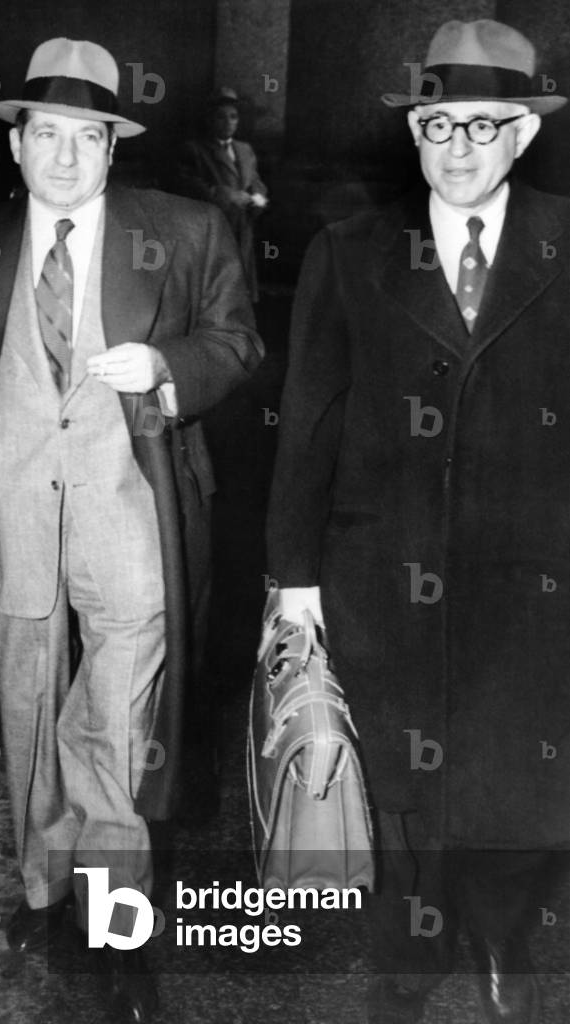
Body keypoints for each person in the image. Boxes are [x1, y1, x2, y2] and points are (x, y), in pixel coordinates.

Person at [0, 37, 262, 1023]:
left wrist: (167, 368)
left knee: (113, 727)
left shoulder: (185, 231)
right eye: (47, 133)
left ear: (114, 146)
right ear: (16, 140)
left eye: (88, 136)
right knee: (29, 710)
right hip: (8, 515)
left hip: (133, 518)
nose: (65, 156)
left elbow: (236, 342)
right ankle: (46, 890)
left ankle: (112, 919)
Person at [266, 20, 569, 1024]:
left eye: (484, 124)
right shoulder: (348, 251)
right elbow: (308, 421)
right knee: (399, 786)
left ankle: (502, 933)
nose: (459, 147)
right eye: (439, 124)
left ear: (524, 132)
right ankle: (407, 955)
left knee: (516, 783)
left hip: (531, 582)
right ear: (414, 132)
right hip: (381, 575)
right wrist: (293, 582)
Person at [176, 86, 268, 301]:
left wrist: (258, 198)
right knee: (214, 287)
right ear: (209, 120)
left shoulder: (245, 150)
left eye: (233, 117)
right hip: (214, 229)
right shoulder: (195, 150)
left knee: (239, 287)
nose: (228, 122)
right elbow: (187, 185)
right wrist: (222, 194)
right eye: (221, 117)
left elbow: (255, 181)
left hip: (242, 227)